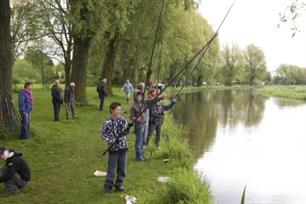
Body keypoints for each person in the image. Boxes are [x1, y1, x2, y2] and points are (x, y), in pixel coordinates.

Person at [101, 102, 132, 193]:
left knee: (122, 168)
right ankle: (108, 185)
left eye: (120, 109)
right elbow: (103, 134)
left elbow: (125, 132)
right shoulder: (107, 122)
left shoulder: (122, 120)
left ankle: (119, 184)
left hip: (123, 147)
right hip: (113, 149)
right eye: (117, 109)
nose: (119, 111)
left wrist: (128, 128)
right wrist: (112, 140)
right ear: (112, 110)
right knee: (111, 168)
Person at [130, 91, 151, 161]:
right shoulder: (134, 106)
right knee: (139, 141)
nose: (140, 97)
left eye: (141, 96)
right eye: (138, 96)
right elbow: (131, 116)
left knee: (144, 140)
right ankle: (138, 156)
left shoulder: (145, 103)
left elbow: (152, 101)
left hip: (146, 124)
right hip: (139, 125)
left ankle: (142, 154)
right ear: (135, 97)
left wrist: (160, 98)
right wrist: (136, 119)